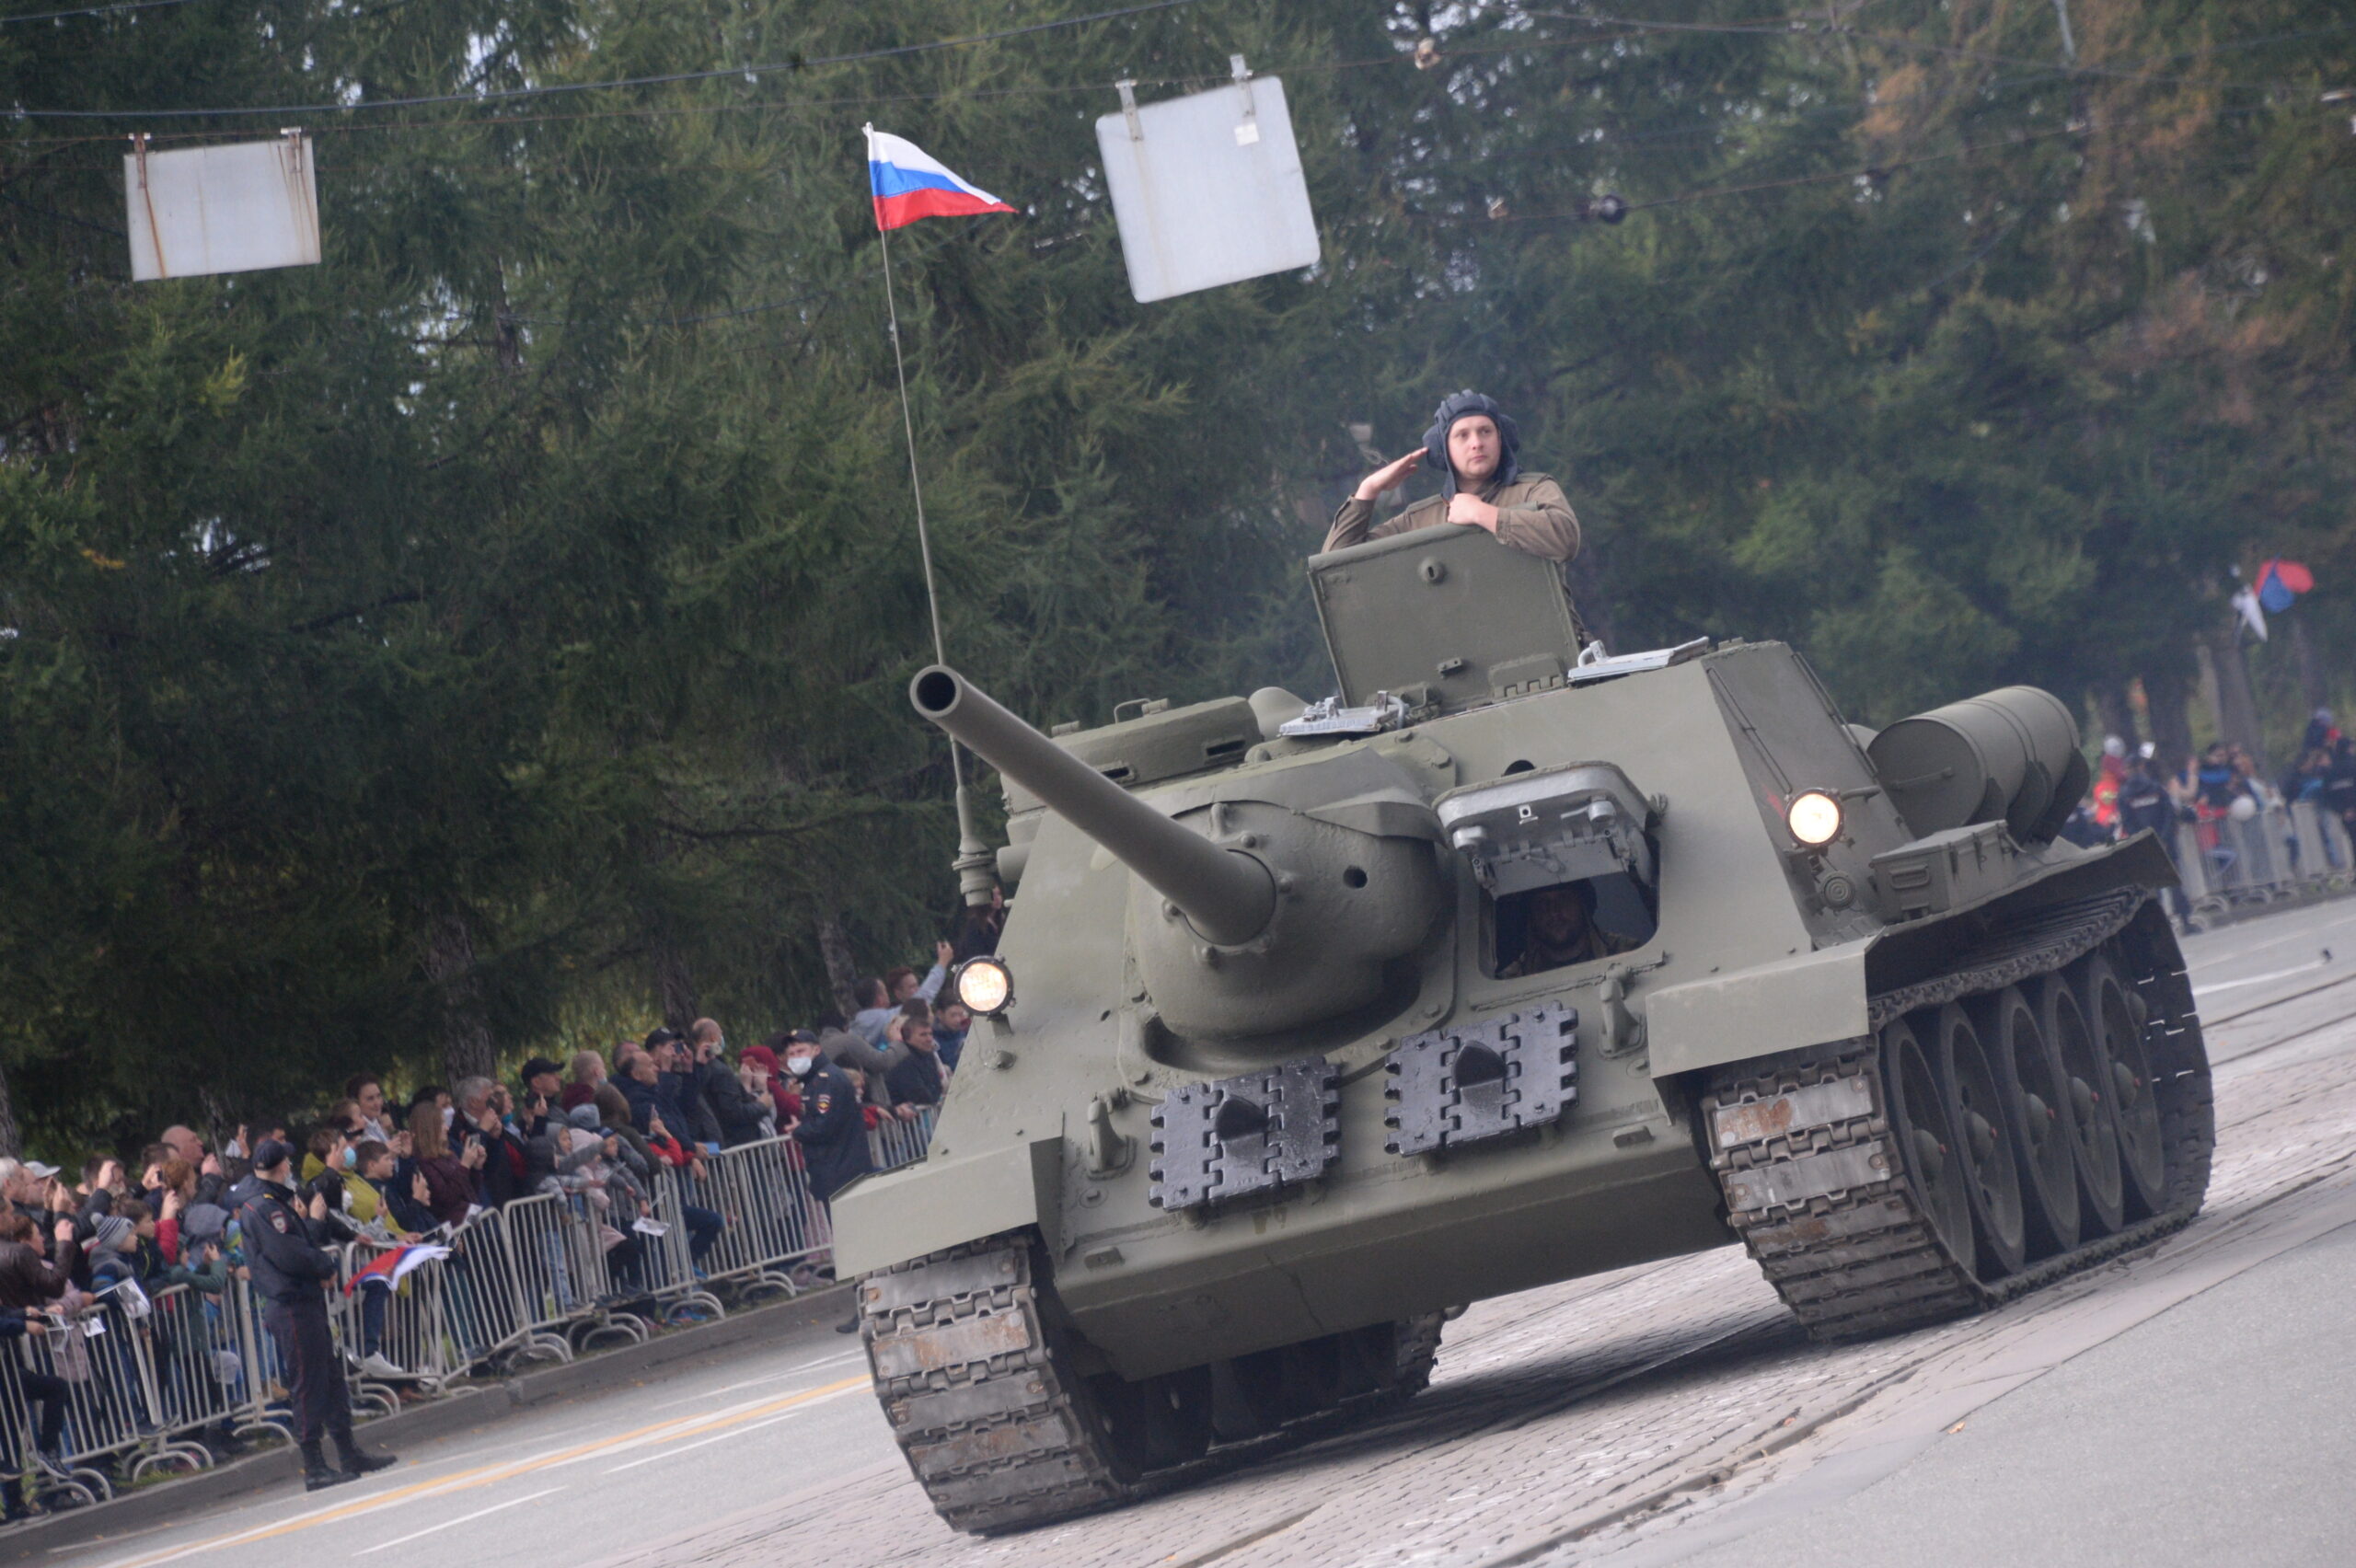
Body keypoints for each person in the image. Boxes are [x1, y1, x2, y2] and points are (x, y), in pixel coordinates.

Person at [234, 1139, 397, 1490]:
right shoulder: (264, 1208)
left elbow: (299, 1243)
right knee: (307, 1382)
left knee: (331, 1378)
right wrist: (323, 1264)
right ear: (279, 1166)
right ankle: (314, 1464)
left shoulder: (273, 1202)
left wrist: (316, 1235)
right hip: (291, 1303)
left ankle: (348, 1450)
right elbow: (290, 1254)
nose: (291, 1168)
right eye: (287, 1163)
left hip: (305, 1300)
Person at [1323, 390, 1581, 563]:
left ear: (1501, 438)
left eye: (1485, 431)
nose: (1477, 443)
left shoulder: (1534, 490)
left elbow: (1565, 539)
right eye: (1463, 435)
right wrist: (1367, 491)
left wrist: (1483, 514)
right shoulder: (1420, 520)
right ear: (1444, 448)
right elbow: (1337, 565)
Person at [1501, 881, 1637, 976]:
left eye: (1563, 899)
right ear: (1531, 915)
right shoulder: (1513, 978)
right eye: (1542, 903)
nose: (1553, 911)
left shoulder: (1629, 954)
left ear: (1582, 905)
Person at [884, 1013, 947, 1113]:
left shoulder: (928, 1055)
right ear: (907, 1038)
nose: (929, 1039)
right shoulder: (903, 1059)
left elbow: (937, 1085)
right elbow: (918, 1095)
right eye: (923, 1035)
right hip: (909, 1122)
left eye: (930, 1034)